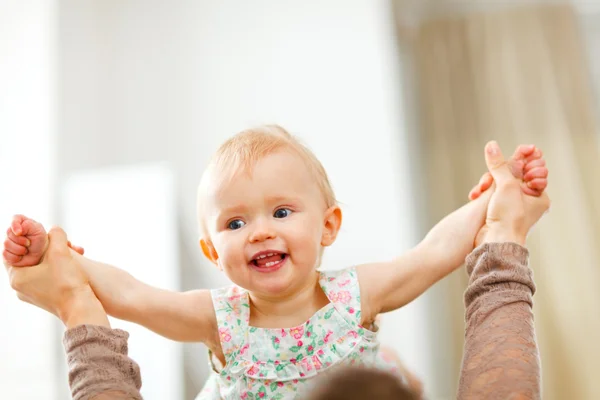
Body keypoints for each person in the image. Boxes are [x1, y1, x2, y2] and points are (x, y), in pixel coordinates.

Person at [3, 125, 548, 399]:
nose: (260, 230)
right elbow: (137, 298)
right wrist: (62, 261)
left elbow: (431, 255)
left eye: (282, 211)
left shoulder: (354, 294)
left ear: (328, 225)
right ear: (213, 253)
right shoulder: (221, 317)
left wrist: (487, 204)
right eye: (235, 223)